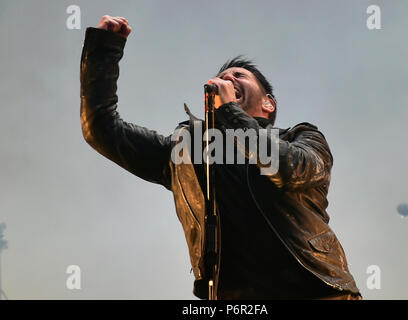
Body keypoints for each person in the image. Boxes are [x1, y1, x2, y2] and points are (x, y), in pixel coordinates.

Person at [80, 15, 361, 300]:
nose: (227, 78)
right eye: (223, 77)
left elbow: (289, 169)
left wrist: (229, 111)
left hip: (317, 291)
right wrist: (105, 48)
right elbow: (102, 130)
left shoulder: (300, 138)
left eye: (239, 76)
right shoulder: (186, 152)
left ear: (268, 103)